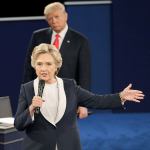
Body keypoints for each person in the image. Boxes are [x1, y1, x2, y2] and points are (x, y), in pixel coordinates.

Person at [14, 43, 144, 150]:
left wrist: (120, 96)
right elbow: (18, 124)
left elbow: (96, 100)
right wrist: (31, 108)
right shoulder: (27, 89)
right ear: (34, 66)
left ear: (56, 66)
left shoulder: (70, 86)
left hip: (68, 145)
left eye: (48, 64)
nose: (43, 68)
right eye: (39, 64)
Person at [22, 2, 91, 119]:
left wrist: (83, 103)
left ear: (66, 16)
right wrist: (26, 97)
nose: (53, 21)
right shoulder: (38, 36)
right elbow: (29, 68)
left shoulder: (80, 41)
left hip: (67, 97)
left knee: (65, 134)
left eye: (56, 17)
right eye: (50, 18)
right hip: (41, 96)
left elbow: (84, 74)